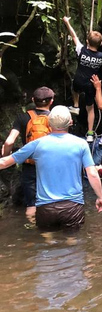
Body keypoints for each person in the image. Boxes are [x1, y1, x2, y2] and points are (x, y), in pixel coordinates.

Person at [0, 106, 102, 229]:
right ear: (71, 122)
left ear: (49, 123)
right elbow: (92, 174)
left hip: (45, 208)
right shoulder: (81, 144)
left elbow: (4, 162)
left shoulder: (37, 144)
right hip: (72, 206)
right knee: (73, 243)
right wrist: (101, 197)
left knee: (48, 241)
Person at [2, 86, 55, 221]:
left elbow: (9, 142)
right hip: (51, 166)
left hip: (30, 166)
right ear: (51, 101)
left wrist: (6, 159)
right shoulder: (57, 119)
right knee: (52, 200)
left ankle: (31, 233)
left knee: (31, 205)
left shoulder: (23, 117)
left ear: (33, 100)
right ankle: (50, 233)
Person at [63, 16, 102, 143]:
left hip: (78, 80)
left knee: (75, 89)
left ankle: (75, 105)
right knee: (90, 109)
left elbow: (74, 36)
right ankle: (90, 133)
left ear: (87, 41)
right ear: (101, 44)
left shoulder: (81, 50)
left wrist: (67, 22)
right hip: (90, 83)